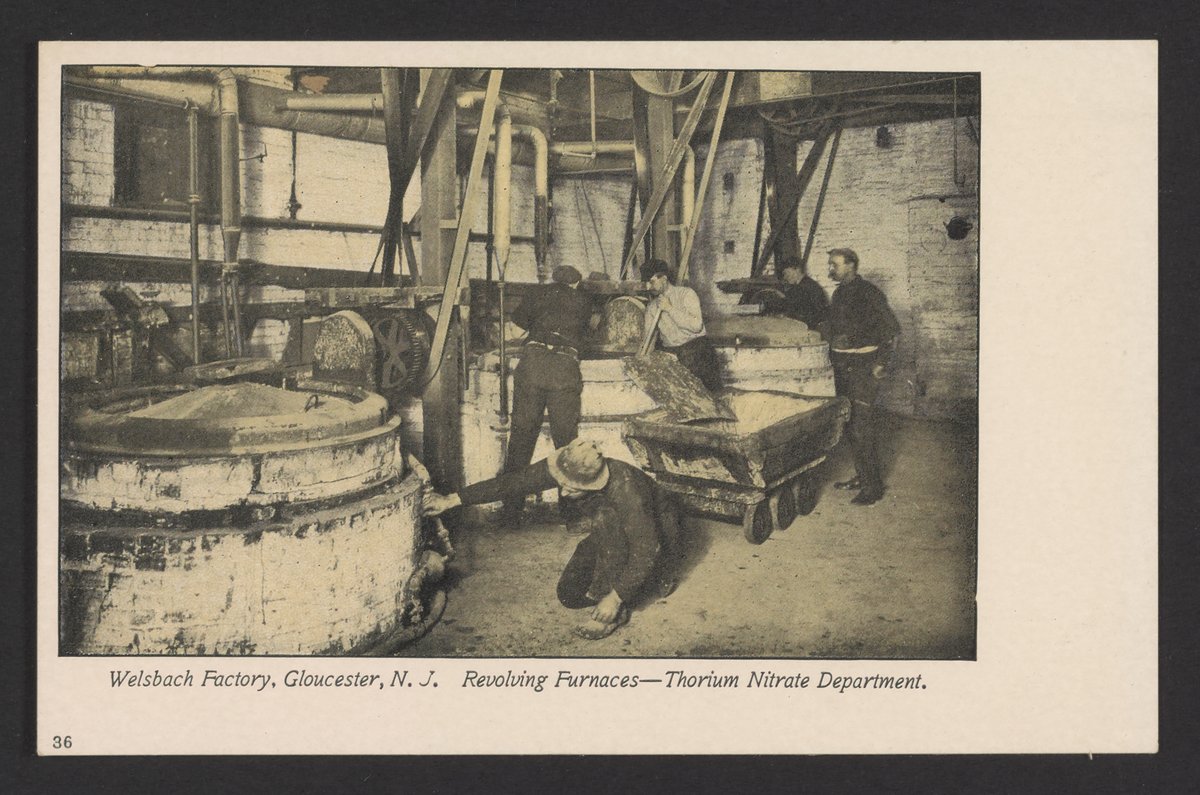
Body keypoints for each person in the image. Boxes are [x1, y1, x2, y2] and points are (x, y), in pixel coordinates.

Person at [423, 438, 682, 640]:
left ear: (592, 484)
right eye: (562, 484)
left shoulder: (627, 491)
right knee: (570, 595)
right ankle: (625, 580)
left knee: (607, 526)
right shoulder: (569, 466)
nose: (563, 492)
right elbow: (512, 483)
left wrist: (615, 597)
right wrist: (452, 499)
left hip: (658, 535)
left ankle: (641, 591)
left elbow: (647, 548)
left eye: (571, 488)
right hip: (610, 529)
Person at [502, 264, 593, 518]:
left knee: (521, 438)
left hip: (533, 363)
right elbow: (586, 335)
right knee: (566, 442)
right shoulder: (584, 300)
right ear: (575, 283)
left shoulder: (537, 293)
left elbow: (516, 329)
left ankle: (511, 512)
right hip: (564, 367)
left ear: (553, 280)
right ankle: (570, 514)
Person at [826, 248, 901, 506]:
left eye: (835, 264)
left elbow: (893, 330)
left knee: (861, 427)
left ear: (851, 265)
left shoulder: (869, 292)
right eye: (830, 264)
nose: (830, 269)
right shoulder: (839, 294)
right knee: (849, 425)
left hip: (863, 368)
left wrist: (882, 363)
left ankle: (873, 487)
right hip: (842, 366)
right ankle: (862, 476)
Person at [641, 259, 723, 393]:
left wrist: (669, 308)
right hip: (673, 355)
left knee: (709, 397)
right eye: (645, 283)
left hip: (697, 354)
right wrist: (641, 362)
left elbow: (696, 326)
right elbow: (647, 341)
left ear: (664, 278)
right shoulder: (651, 307)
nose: (648, 287)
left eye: (651, 281)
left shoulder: (686, 294)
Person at [776, 256, 829, 332]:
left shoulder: (809, 286)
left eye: (786, 273)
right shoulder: (798, 286)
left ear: (796, 269)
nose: (785, 278)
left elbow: (815, 314)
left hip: (811, 330)